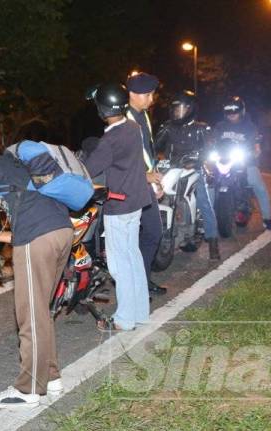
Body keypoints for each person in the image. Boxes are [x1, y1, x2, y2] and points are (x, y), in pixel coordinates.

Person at [0, 145, 73, 409]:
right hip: (61, 232)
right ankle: (51, 376)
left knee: (30, 314)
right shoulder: (15, 168)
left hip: (38, 237)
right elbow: (32, 215)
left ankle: (28, 389)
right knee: (40, 310)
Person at [84, 83, 151, 331]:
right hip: (135, 201)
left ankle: (124, 319)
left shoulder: (110, 139)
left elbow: (88, 171)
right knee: (133, 257)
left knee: (119, 264)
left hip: (119, 206)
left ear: (102, 110)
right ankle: (140, 312)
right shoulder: (133, 127)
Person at [154, 90, 221, 260]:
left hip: (194, 169)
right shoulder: (167, 127)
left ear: (191, 109)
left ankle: (213, 241)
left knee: (204, 202)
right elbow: (154, 145)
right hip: (171, 169)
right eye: (175, 109)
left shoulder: (201, 127)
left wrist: (199, 157)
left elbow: (210, 148)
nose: (177, 112)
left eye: (181, 109)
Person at [125, 71, 167, 296]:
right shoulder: (123, 119)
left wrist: (155, 178)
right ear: (132, 94)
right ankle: (136, 285)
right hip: (131, 186)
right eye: (147, 94)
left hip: (145, 182)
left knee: (152, 232)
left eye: (152, 94)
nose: (152, 99)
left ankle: (142, 279)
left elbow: (148, 151)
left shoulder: (143, 115)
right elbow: (122, 158)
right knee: (138, 235)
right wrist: (146, 177)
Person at [213, 96, 271, 231]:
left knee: (258, 186)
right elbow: (212, 142)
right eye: (229, 111)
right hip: (223, 161)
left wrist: (255, 151)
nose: (232, 114)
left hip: (244, 162)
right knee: (209, 184)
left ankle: (267, 218)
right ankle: (207, 219)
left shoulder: (250, 127)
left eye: (235, 111)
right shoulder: (219, 126)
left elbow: (256, 146)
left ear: (241, 111)